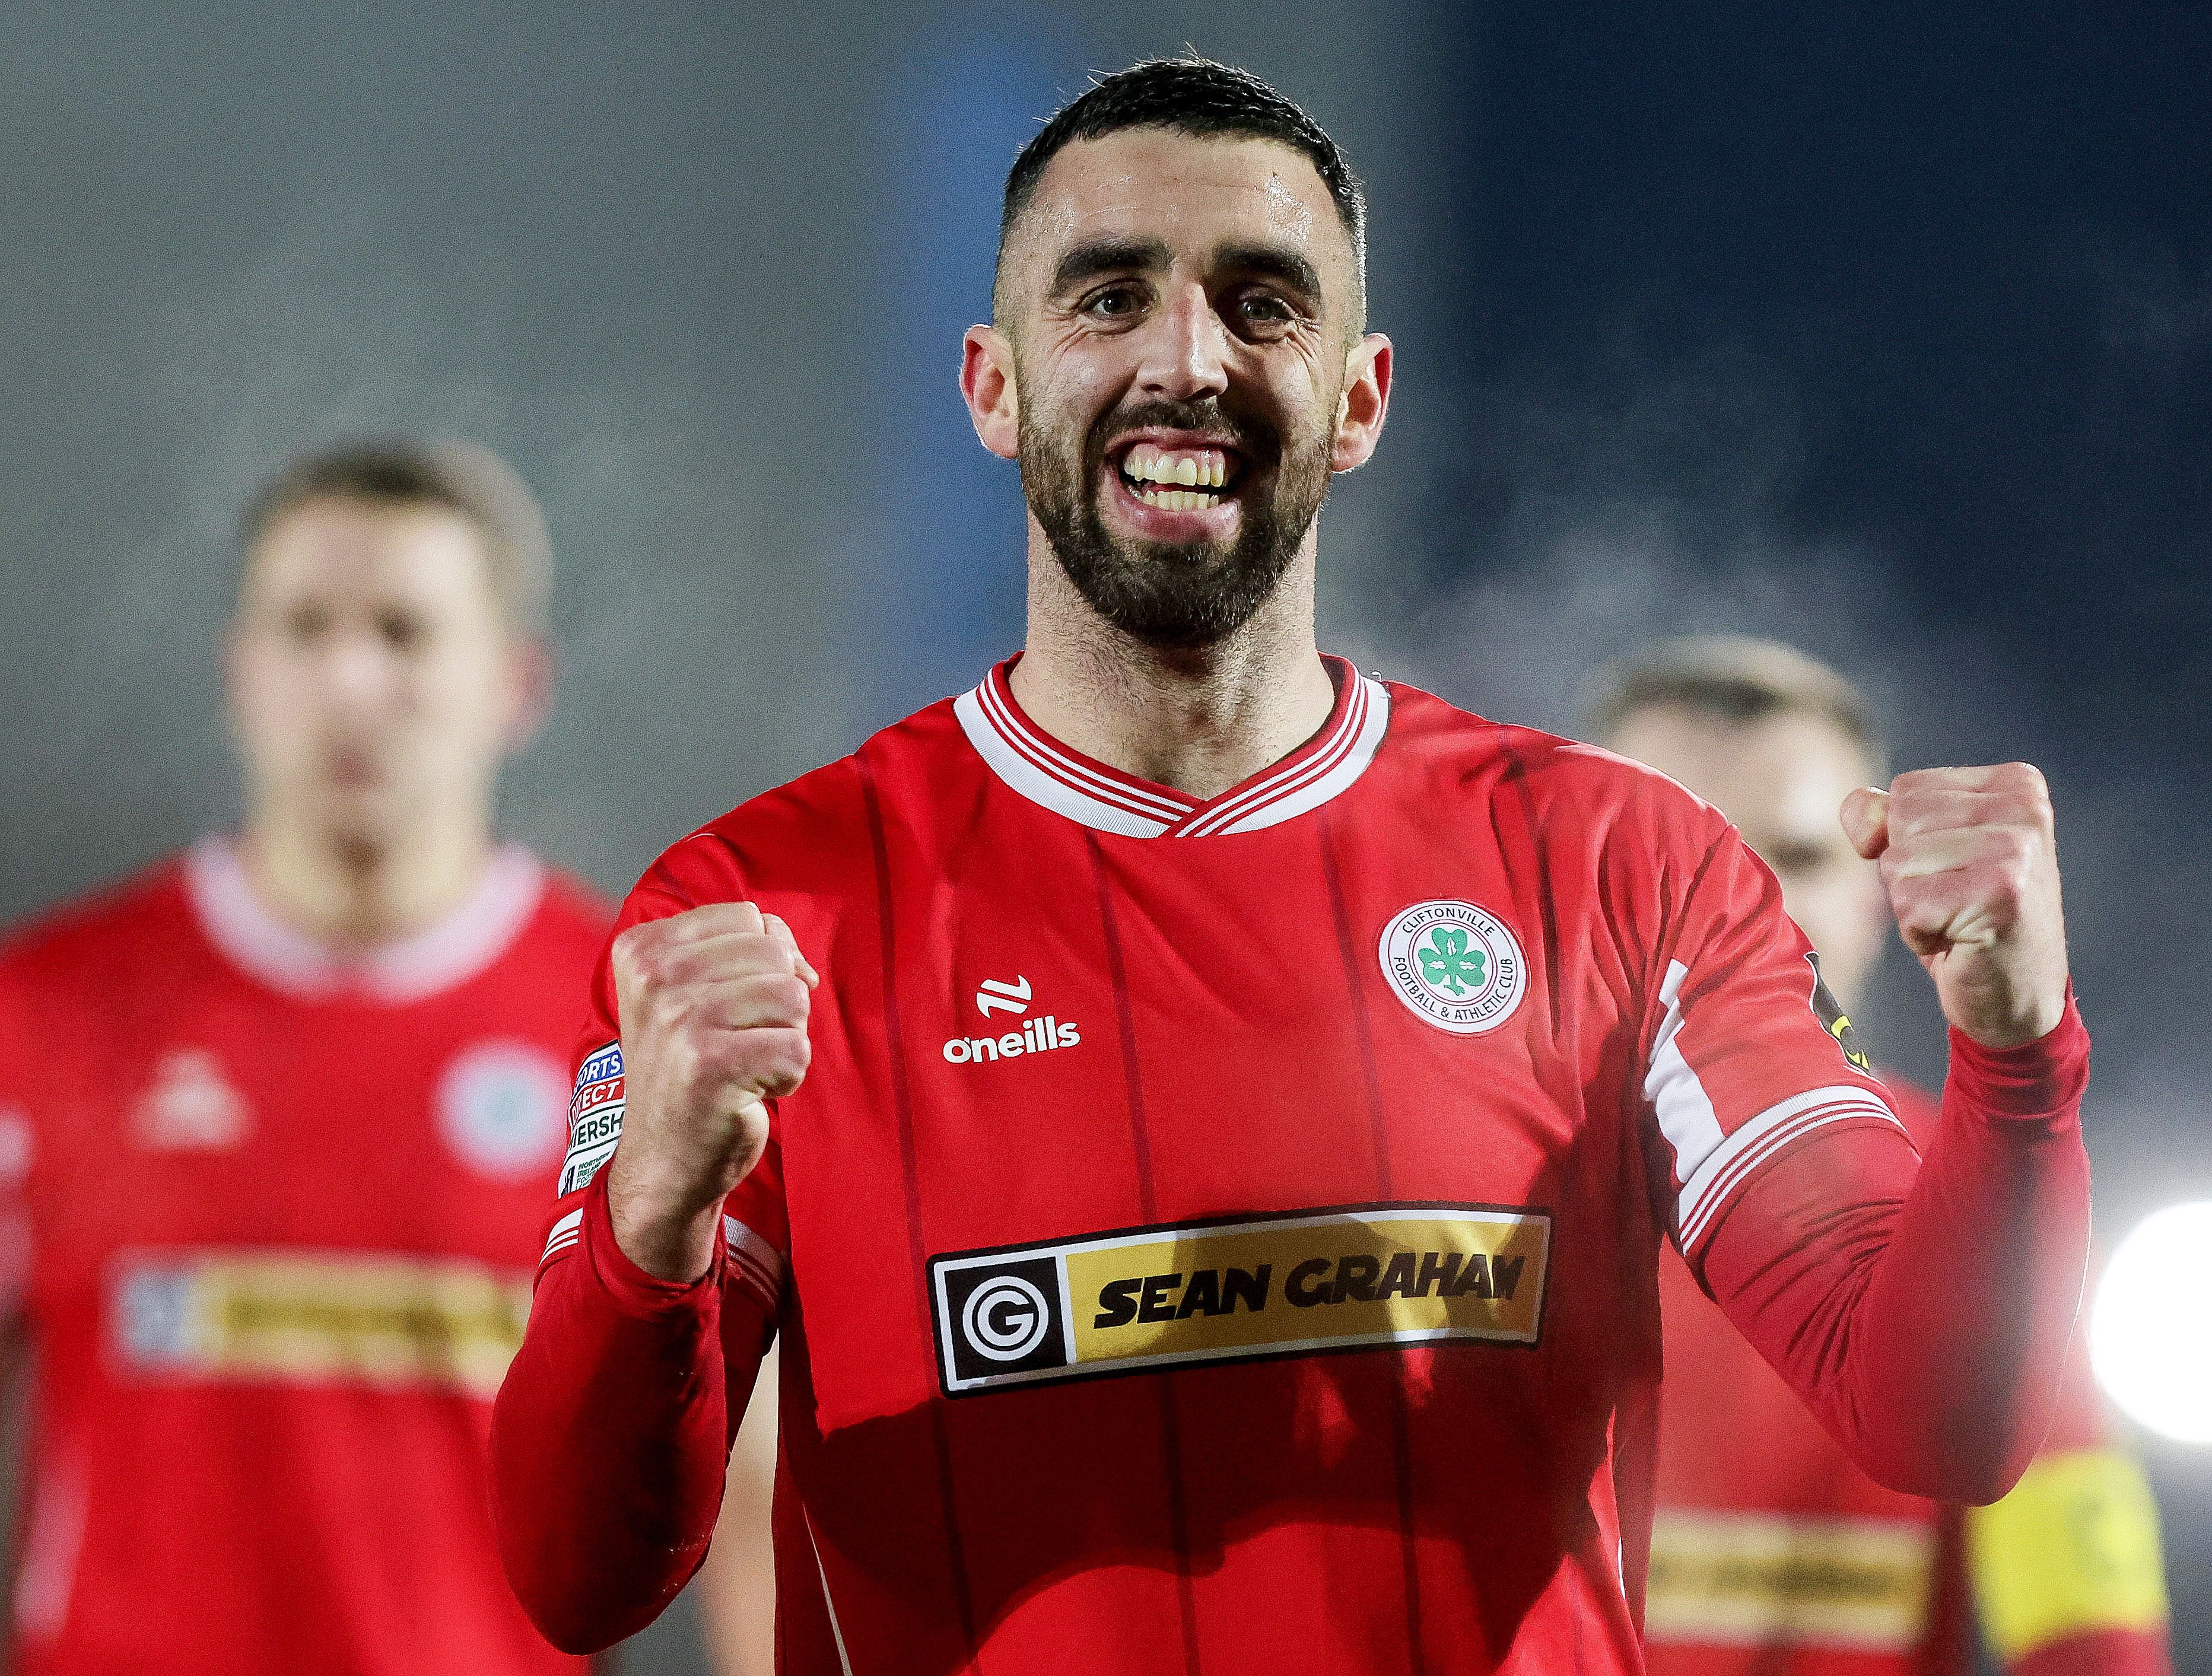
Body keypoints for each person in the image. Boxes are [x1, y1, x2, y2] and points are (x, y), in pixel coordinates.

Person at [491, 59, 2096, 1676]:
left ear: (1359, 397)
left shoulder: (1622, 869)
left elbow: (1938, 1415)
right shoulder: (763, 910)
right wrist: (649, 1227)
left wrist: (2016, 1060)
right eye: (1109, 296)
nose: (1186, 362)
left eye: (1262, 305)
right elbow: (577, 1578)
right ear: (990, 386)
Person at [0, 441, 611, 1675]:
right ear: (238, 671)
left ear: (516, 684)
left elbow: (755, 1479)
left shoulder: (626, 1029)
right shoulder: (43, 1017)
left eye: (402, 632)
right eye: (303, 628)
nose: (348, 680)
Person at [1585, 637, 2171, 1676]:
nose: (1742, 906)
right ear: (1574, 884)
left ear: (1881, 893)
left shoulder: (1986, 1203)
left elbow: (2091, 1644)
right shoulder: (1450, 1188)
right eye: (1680, 852)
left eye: (1800, 856)